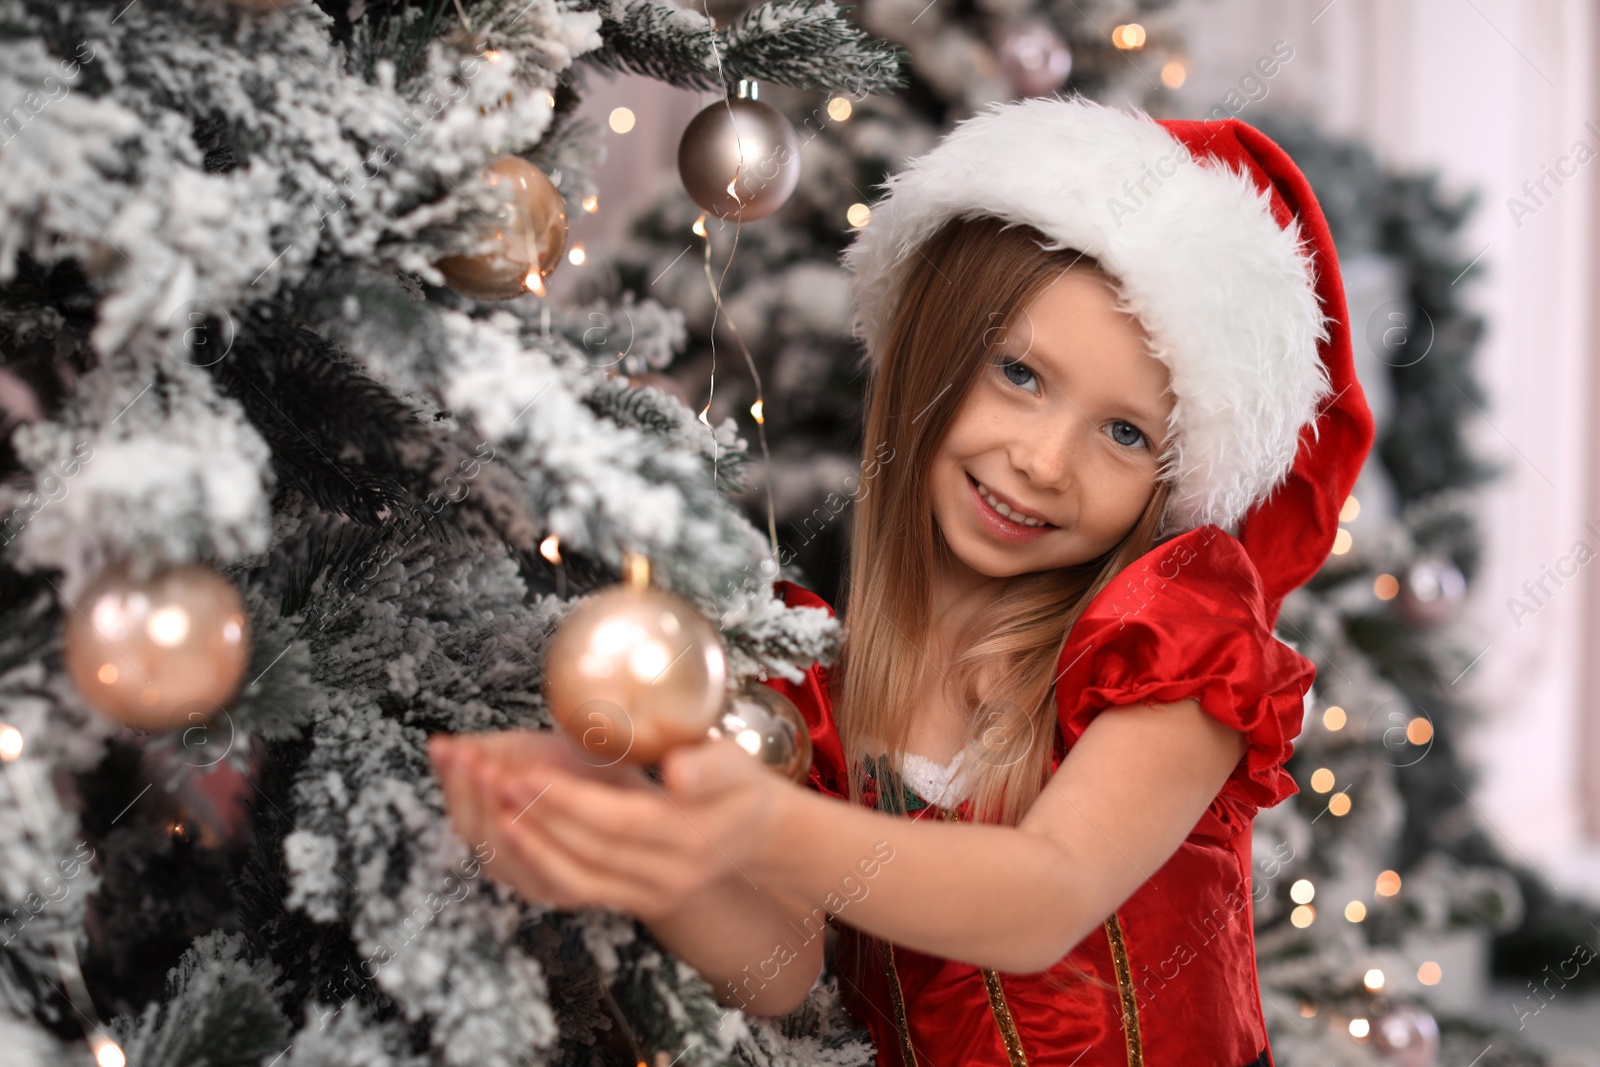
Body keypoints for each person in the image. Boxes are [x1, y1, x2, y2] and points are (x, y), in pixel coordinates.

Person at [428, 96, 1375, 1066]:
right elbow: (784, 970)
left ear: (1171, 480)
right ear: (936, 349)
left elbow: (1044, 895)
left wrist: (759, 819)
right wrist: (651, 845)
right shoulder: (829, 678)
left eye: (1124, 431)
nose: (1045, 461)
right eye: (1019, 373)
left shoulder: (1168, 633)